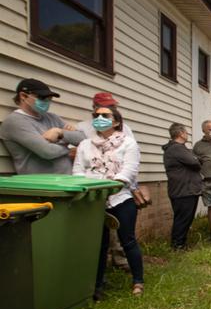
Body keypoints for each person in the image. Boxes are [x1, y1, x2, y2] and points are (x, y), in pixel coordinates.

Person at [72, 106, 144, 296]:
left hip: (119, 198)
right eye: (96, 115)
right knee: (98, 244)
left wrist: (108, 187)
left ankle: (138, 281)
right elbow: (78, 171)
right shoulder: (85, 145)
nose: (99, 118)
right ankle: (96, 285)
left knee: (127, 240)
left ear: (117, 122)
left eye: (105, 115)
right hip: (92, 201)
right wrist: (89, 190)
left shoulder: (128, 144)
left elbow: (129, 171)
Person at [77, 92, 134, 271]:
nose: (102, 118)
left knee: (123, 235)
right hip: (93, 193)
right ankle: (98, 277)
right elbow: (77, 159)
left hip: (119, 191)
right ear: (94, 108)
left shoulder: (126, 132)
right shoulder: (83, 129)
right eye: (98, 114)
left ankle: (122, 263)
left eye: (111, 108)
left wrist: (132, 185)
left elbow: (131, 162)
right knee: (98, 239)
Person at [0, 79, 85, 174]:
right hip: (41, 184)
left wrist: (60, 133)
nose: (47, 102)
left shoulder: (52, 117)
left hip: (66, 179)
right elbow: (47, 151)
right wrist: (70, 148)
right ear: (23, 96)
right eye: (42, 98)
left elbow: (83, 139)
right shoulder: (15, 122)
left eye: (49, 99)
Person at [162, 123, 203, 250]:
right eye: (185, 132)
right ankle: (177, 245)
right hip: (183, 190)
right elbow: (194, 162)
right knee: (183, 219)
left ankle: (181, 243)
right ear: (180, 133)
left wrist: (195, 159)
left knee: (186, 218)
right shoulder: (176, 148)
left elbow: (194, 160)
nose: (187, 134)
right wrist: (196, 159)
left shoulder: (180, 148)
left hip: (187, 189)